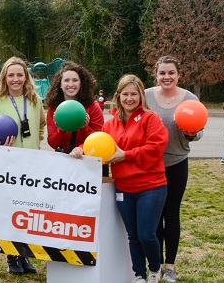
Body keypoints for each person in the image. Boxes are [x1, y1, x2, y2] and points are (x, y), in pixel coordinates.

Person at [71, 74, 168, 283]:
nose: (130, 98)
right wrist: (80, 149)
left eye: (134, 94)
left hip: (151, 186)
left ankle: (155, 268)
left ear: (141, 96)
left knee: (146, 235)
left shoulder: (151, 119)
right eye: (125, 94)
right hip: (124, 188)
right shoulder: (111, 124)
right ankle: (139, 275)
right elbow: (97, 145)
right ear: (118, 96)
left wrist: (127, 154)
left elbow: (156, 147)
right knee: (132, 236)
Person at [0, 56, 45, 275]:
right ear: (5, 78)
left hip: (31, 166)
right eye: (11, 75)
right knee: (10, 211)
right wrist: (0, 148)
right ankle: (12, 258)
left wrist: (35, 145)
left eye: (20, 74)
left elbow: (40, 127)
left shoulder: (35, 100)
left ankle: (25, 256)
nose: (16, 79)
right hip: (7, 166)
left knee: (27, 211)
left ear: (26, 77)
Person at [145, 55, 203, 282]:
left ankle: (170, 266)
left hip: (177, 162)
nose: (166, 77)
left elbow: (198, 131)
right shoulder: (147, 96)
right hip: (151, 164)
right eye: (162, 73)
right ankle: (156, 265)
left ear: (178, 75)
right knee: (155, 216)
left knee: (172, 213)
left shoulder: (190, 99)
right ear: (156, 75)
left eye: (171, 73)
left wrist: (192, 134)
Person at [45, 61, 107, 176]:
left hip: (90, 162)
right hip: (65, 163)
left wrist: (84, 129)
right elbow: (53, 143)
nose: (71, 84)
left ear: (81, 83)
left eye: (75, 80)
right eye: (66, 80)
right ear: (60, 84)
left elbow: (99, 139)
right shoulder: (53, 110)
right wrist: (62, 128)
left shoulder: (93, 107)